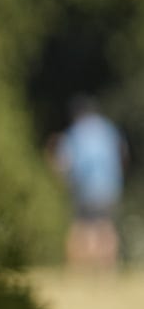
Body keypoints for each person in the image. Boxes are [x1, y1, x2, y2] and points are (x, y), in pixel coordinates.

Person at [52, 94, 129, 271]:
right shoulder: (108, 129)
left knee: (81, 227)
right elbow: (123, 154)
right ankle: (107, 269)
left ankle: (78, 269)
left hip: (83, 188)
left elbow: (63, 162)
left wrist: (64, 182)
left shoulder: (75, 132)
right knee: (106, 226)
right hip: (109, 187)